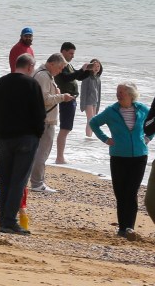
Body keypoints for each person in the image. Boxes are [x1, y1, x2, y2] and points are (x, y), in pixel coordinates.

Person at [0, 53, 44, 235]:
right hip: (26, 138)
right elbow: (39, 114)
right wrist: (38, 135)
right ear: (29, 67)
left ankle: (3, 218)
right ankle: (9, 221)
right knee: (18, 181)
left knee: (5, 179)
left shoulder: (1, 83)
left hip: (3, 137)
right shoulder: (32, 84)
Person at [89, 82, 148, 241]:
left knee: (131, 192)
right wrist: (105, 139)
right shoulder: (111, 111)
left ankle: (130, 227)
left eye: (122, 92)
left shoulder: (142, 109)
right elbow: (93, 123)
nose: (119, 94)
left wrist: (149, 137)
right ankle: (122, 228)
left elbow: (153, 123)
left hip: (139, 157)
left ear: (130, 94)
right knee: (120, 192)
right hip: (118, 157)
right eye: (117, 91)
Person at [30, 53, 73, 193]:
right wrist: (62, 97)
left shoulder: (43, 74)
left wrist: (57, 93)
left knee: (38, 152)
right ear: (52, 63)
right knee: (42, 153)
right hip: (45, 120)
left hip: (42, 118)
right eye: (60, 68)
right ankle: (37, 183)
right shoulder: (43, 75)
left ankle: (35, 181)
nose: (60, 71)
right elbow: (45, 99)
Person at [54, 42, 95, 164]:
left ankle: (60, 156)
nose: (72, 56)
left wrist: (87, 71)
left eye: (73, 53)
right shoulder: (60, 65)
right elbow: (67, 78)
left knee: (67, 128)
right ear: (63, 52)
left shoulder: (67, 65)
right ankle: (59, 157)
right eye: (71, 53)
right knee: (65, 128)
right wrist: (82, 69)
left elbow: (77, 77)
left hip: (70, 99)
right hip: (65, 98)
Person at [81, 59, 103, 137]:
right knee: (90, 121)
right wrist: (82, 105)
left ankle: (89, 137)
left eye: (98, 66)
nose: (96, 68)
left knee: (93, 121)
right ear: (90, 67)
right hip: (88, 102)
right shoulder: (87, 77)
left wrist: (98, 105)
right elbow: (83, 91)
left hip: (95, 102)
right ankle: (88, 137)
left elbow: (99, 94)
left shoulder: (98, 78)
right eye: (94, 66)